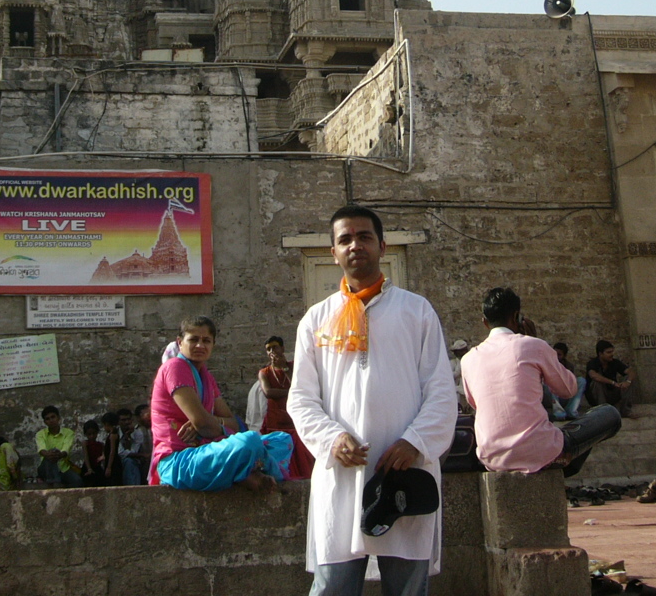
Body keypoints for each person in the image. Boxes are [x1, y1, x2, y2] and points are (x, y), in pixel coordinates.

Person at [287, 206, 457, 596]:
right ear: (333, 252)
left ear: (381, 246)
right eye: (345, 239)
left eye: (364, 237)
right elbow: (302, 398)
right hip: (343, 474)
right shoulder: (316, 319)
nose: (355, 246)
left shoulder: (416, 311)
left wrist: (414, 442)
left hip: (404, 473)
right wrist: (331, 439)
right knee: (333, 586)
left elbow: (441, 390)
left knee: (408, 588)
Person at [462, 287, 619, 477]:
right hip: (539, 451)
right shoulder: (533, 345)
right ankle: (562, 465)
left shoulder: (469, 359)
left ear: (485, 322)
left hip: (491, 457)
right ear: (517, 317)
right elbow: (569, 389)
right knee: (609, 414)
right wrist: (535, 340)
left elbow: (474, 403)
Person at [149, 315, 292, 491]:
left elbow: (234, 424)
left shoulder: (206, 377)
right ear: (180, 342)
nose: (200, 345)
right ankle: (246, 471)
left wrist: (212, 421)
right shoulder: (175, 367)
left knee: (283, 440)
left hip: (209, 451)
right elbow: (203, 423)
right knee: (250, 442)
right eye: (193, 340)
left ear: (213, 345)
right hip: (180, 461)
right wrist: (206, 423)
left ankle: (243, 470)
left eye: (206, 341)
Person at [259, 335, 314, 479]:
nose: (272, 351)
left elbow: (299, 385)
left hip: (294, 420)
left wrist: (284, 368)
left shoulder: (293, 366)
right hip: (275, 421)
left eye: (275, 347)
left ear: (282, 348)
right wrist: (291, 392)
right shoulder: (264, 372)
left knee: (301, 458)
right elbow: (268, 392)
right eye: (268, 349)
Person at [584, 340, 637, 418]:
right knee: (597, 382)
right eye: (608, 352)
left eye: (612, 352)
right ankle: (603, 411)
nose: (612, 354)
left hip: (612, 394)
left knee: (628, 379)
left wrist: (628, 382)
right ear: (600, 354)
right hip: (596, 397)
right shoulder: (593, 363)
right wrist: (612, 382)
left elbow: (631, 372)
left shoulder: (615, 362)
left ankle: (626, 410)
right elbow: (593, 375)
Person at [35, 405, 82, 488]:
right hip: (45, 469)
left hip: (63, 468)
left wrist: (58, 455)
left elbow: (66, 449)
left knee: (78, 481)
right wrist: (50, 454)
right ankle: (53, 484)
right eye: (47, 419)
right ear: (45, 422)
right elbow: (41, 449)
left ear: (58, 418)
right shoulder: (40, 434)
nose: (51, 420)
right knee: (51, 454)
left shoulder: (68, 433)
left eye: (53, 417)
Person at [549, 342, 586, 420]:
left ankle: (571, 411)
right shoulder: (548, 364)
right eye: (554, 354)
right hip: (551, 397)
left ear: (564, 356)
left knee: (581, 381)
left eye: (559, 355)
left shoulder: (569, 366)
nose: (556, 357)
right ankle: (559, 413)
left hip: (564, 394)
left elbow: (569, 384)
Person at [117, 407, 144, 485]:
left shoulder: (137, 433)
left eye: (128, 419)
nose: (127, 422)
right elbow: (121, 453)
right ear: (118, 422)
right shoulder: (115, 433)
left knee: (129, 462)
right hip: (117, 463)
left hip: (134, 463)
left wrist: (128, 437)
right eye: (123, 420)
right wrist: (142, 455)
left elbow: (133, 451)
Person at [98, 411, 124, 485]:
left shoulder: (113, 435)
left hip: (113, 464)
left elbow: (112, 451)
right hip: (111, 461)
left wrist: (109, 467)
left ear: (107, 424)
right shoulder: (113, 434)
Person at [448, 338, 470, 412]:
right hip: (457, 389)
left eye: (464, 350)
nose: (463, 352)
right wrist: (459, 370)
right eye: (460, 351)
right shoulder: (452, 363)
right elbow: (449, 377)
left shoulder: (471, 361)